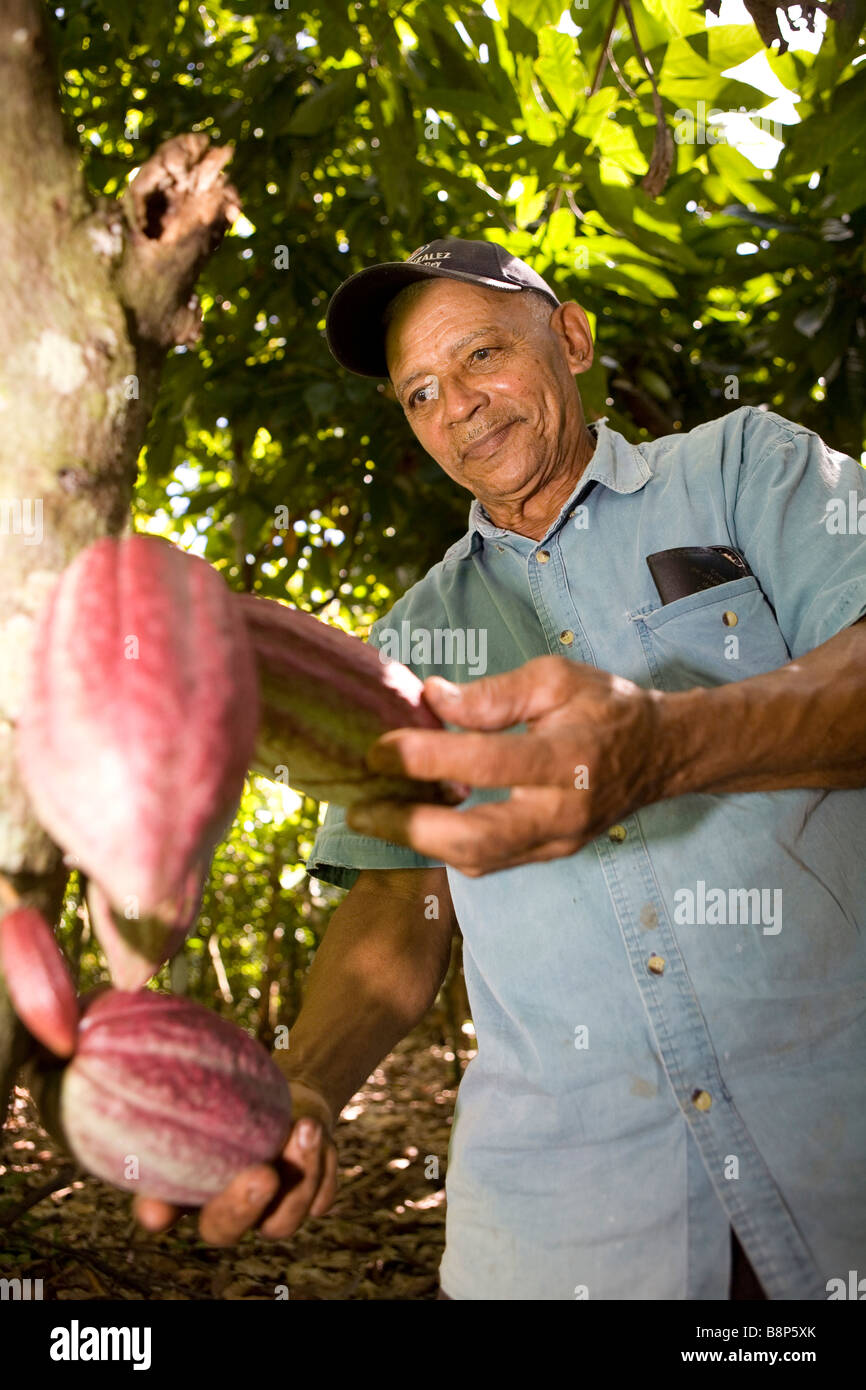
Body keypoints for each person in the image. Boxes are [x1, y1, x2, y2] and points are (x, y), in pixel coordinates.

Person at [136, 238, 866, 1301]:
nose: (457, 406)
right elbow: (400, 903)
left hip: (832, 1151)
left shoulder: (743, 470)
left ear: (566, 337)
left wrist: (669, 745)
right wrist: (302, 1088)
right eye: (419, 391)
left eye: (480, 354)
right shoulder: (413, 638)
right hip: (568, 1228)